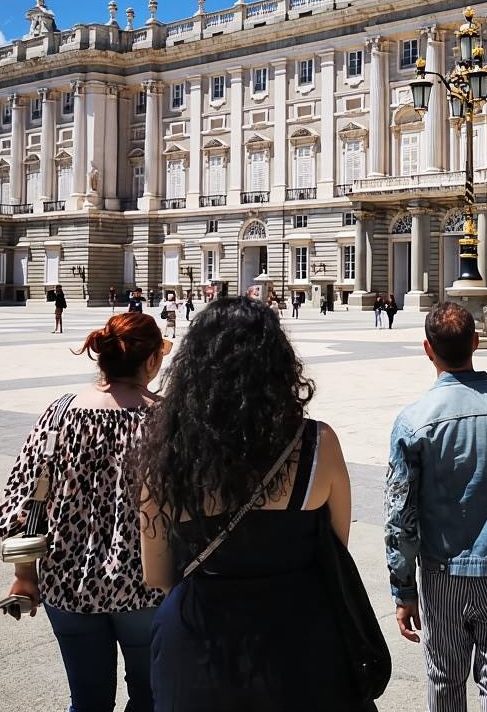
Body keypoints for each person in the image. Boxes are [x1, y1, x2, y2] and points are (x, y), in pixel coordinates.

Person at [138, 297, 361, 710]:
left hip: (198, 639)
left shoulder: (167, 452)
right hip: (298, 637)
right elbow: (335, 547)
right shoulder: (317, 443)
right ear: (279, 364)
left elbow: (155, 573)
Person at [0, 313, 169, 712]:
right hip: (148, 585)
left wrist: (24, 575)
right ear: (150, 361)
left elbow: (21, 501)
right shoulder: (169, 418)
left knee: (87, 702)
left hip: (67, 582)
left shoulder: (59, 414)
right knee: (152, 698)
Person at [386, 302, 487, 712]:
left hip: (443, 574)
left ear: (427, 349)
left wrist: (403, 589)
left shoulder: (413, 421)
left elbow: (400, 516)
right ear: (476, 342)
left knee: (444, 679)